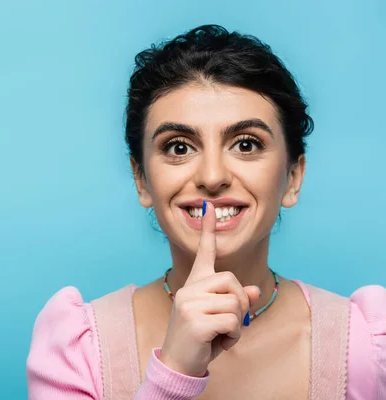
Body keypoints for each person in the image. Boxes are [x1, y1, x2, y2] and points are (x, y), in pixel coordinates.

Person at [25, 24, 386, 399]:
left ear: (293, 177)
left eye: (246, 144)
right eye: (179, 147)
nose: (212, 177)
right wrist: (175, 372)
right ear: (142, 180)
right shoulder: (78, 347)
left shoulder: (367, 346)